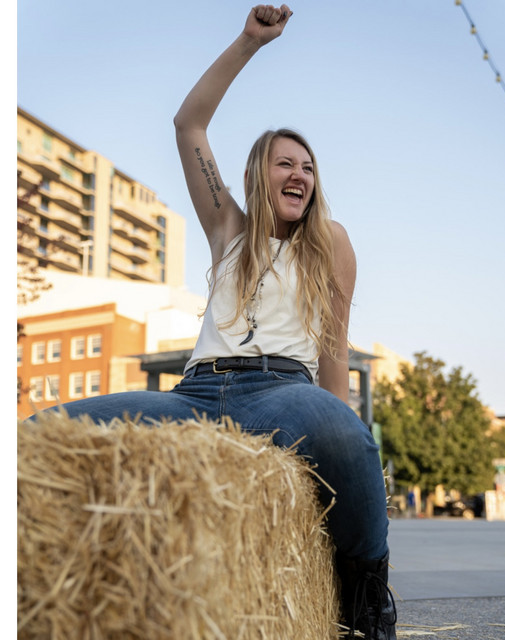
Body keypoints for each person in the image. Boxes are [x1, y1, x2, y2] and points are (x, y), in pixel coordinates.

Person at [31, 6, 396, 638]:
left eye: (308, 167)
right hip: (195, 395)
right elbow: (188, 124)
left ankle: (366, 590)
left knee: (348, 438)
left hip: (282, 392)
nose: (300, 174)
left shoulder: (330, 242)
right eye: (285, 163)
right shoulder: (228, 226)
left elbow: (334, 348)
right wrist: (249, 41)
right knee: (46, 429)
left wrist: (335, 432)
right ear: (256, 176)